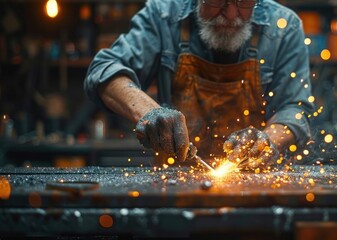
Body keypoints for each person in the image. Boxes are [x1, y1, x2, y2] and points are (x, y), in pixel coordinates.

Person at [84, 0, 314, 170]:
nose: (232, 14)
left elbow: (294, 109)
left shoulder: (284, 27)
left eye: (244, 3)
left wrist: (268, 140)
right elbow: (104, 69)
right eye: (217, 2)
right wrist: (149, 112)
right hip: (173, 179)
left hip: (257, 182)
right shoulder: (163, 15)